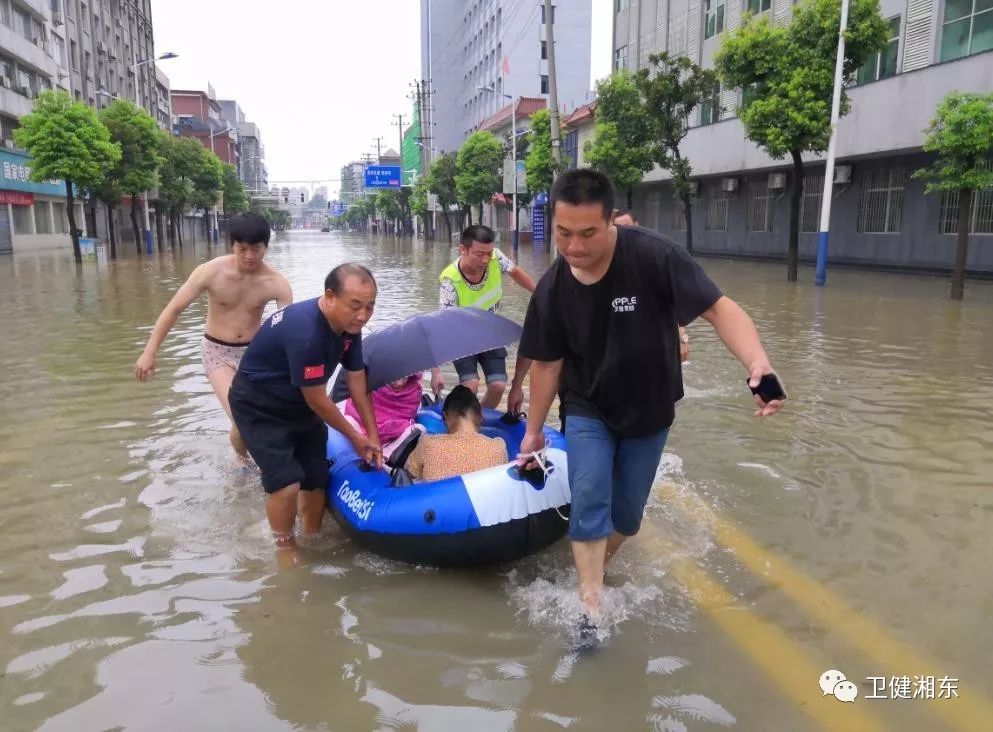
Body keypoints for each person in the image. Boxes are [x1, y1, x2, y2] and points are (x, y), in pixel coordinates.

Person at [517, 169, 784, 632]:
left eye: (587, 234)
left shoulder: (655, 257)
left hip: (651, 407)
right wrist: (534, 430)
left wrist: (757, 361)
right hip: (587, 405)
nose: (574, 247)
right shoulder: (552, 289)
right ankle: (590, 607)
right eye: (563, 234)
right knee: (590, 494)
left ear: (610, 223)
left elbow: (720, 308)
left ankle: (590, 570)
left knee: (626, 516)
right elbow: (546, 365)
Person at [228, 263, 382, 550]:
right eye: (355, 306)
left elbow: (357, 380)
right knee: (287, 483)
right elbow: (316, 398)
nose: (363, 315)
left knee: (315, 478)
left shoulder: (350, 327)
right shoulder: (307, 332)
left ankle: (311, 537)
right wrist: (356, 438)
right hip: (259, 405)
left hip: (300, 403)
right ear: (330, 296)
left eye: (370, 307)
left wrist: (372, 434)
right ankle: (285, 548)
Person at [134, 212, 292, 458]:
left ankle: (246, 460)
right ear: (232, 245)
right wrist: (149, 352)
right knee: (242, 416)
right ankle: (242, 463)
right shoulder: (209, 272)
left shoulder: (276, 283)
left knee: (262, 417)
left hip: (254, 355)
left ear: (266, 247)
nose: (249, 256)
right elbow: (173, 310)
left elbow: (288, 332)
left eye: (256, 249)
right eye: (242, 249)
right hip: (216, 353)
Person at [430, 225, 536, 409]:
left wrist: (539, 293)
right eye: (479, 254)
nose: (486, 259)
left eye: (489, 253)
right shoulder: (450, 282)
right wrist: (435, 370)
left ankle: (478, 420)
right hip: (461, 339)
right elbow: (442, 327)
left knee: (498, 385)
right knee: (470, 385)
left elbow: (516, 272)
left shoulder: (496, 257)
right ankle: (463, 424)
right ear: (462, 250)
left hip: (489, 332)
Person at [406, 385, 509, 482]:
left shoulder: (427, 444)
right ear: (481, 416)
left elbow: (410, 474)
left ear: (444, 417)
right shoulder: (498, 447)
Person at [341, 372, 425, 460]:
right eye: (395, 378)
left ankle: (385, 455)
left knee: (420, 428)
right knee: (347, 420)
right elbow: (359, 404)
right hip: (362, 430)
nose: (399, 383)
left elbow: (408, 415)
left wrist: (391, 426)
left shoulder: (413, 390)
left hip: (391, 436)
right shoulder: (373, 381)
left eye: (404, 378)